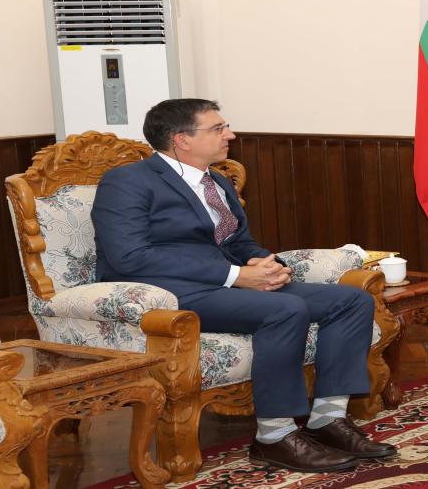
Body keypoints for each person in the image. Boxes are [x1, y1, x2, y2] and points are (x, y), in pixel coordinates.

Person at [91, 99, 395, 473]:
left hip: (225, 284)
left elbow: (236, 242)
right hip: (167, 293)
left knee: (351, 301)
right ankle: (274, 436)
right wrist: (235, 276)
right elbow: (130, 256)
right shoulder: (127, 182)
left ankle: (327, 420)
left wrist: (267, 265)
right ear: (181, 139)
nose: (230, 135)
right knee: (286, 309)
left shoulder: (216, 181)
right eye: (218, 128)